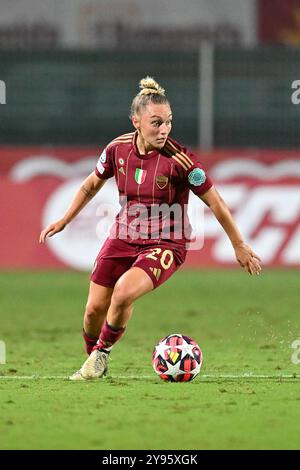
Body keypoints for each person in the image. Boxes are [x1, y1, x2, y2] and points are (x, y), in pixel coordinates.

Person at [39, 76, 262, 381]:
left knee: (122, 294)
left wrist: (238, 244)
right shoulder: (117, 149)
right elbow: (91, 185)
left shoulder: (181, 161)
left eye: (168, 122)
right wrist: (65, 219)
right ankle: (93, 359)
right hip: (124, 235)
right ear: (136, 121)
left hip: (166, 242)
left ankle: (101, 354)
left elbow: (217, 202)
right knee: (93, 310)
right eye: (156, 123)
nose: (164, 129)